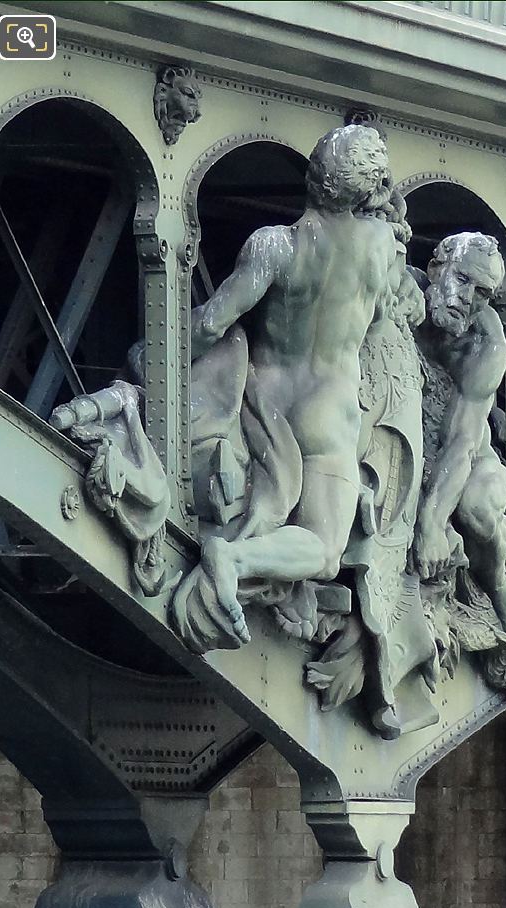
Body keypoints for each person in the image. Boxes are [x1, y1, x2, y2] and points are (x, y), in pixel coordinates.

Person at [172, 125, 399, 651]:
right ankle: (237, 558)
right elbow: (385, 313)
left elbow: (209, 325)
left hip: (265, 401)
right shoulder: (380, 246)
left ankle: (233, 544)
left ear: (312, 177)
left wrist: (150, 351)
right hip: (329, 411)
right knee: (323, 550)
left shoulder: (273, 246)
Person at [414, 232, 506, 640]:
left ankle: (499, 587)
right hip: (404, 433)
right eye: (462, 280)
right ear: (435, 269)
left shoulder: (487, 347)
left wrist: (431, 524)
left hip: (463, 453)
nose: (468, 298)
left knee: (477, 510)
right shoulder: (400, 293)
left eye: (483, 292)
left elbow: (461, 444)